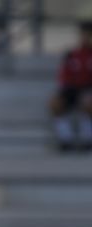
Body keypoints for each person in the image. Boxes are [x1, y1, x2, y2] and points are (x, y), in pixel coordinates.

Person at [50, 21, 92, 151]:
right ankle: (65, 139)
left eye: (88, 35)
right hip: (72, 89)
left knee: (88, 102)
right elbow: (64, 76)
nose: (85, 37)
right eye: (83, 34)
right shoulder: (71, 54)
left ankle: (87, 138)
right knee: (55, 103)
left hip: (88, 89)